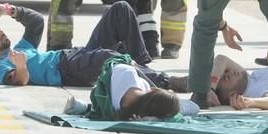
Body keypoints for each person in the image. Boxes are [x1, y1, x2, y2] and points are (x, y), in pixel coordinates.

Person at [0, 0, 165, 87]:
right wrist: (22, 69)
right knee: (110, 57)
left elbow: (37, 22)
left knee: (120, 9)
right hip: (67, 69)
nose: (1, 33)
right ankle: (164, 82)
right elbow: (18, 80)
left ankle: (143, 68)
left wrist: (8, 9)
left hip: (74, 56)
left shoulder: (21, 48)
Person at [64, 54, 199, 121]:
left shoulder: (130, 75)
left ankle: (84, 107)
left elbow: (115, 61)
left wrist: (130, 61)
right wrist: (151, 118)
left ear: (155, 89)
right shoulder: (129, 112)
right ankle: (84, 107)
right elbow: (195, 107)